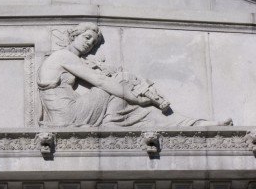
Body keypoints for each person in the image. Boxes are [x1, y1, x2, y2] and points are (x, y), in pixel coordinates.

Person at [38, 22, 232, 128]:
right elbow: (100, 81)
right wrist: (134, 97)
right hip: (68, 115)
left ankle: (195, 124)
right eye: (86, 37)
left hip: (72, 112)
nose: (89, 43)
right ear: (73, 36)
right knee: (122, 83)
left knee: (142, 111)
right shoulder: (63, 56)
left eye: (93, 42)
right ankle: (112, 121)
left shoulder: (76, 59)